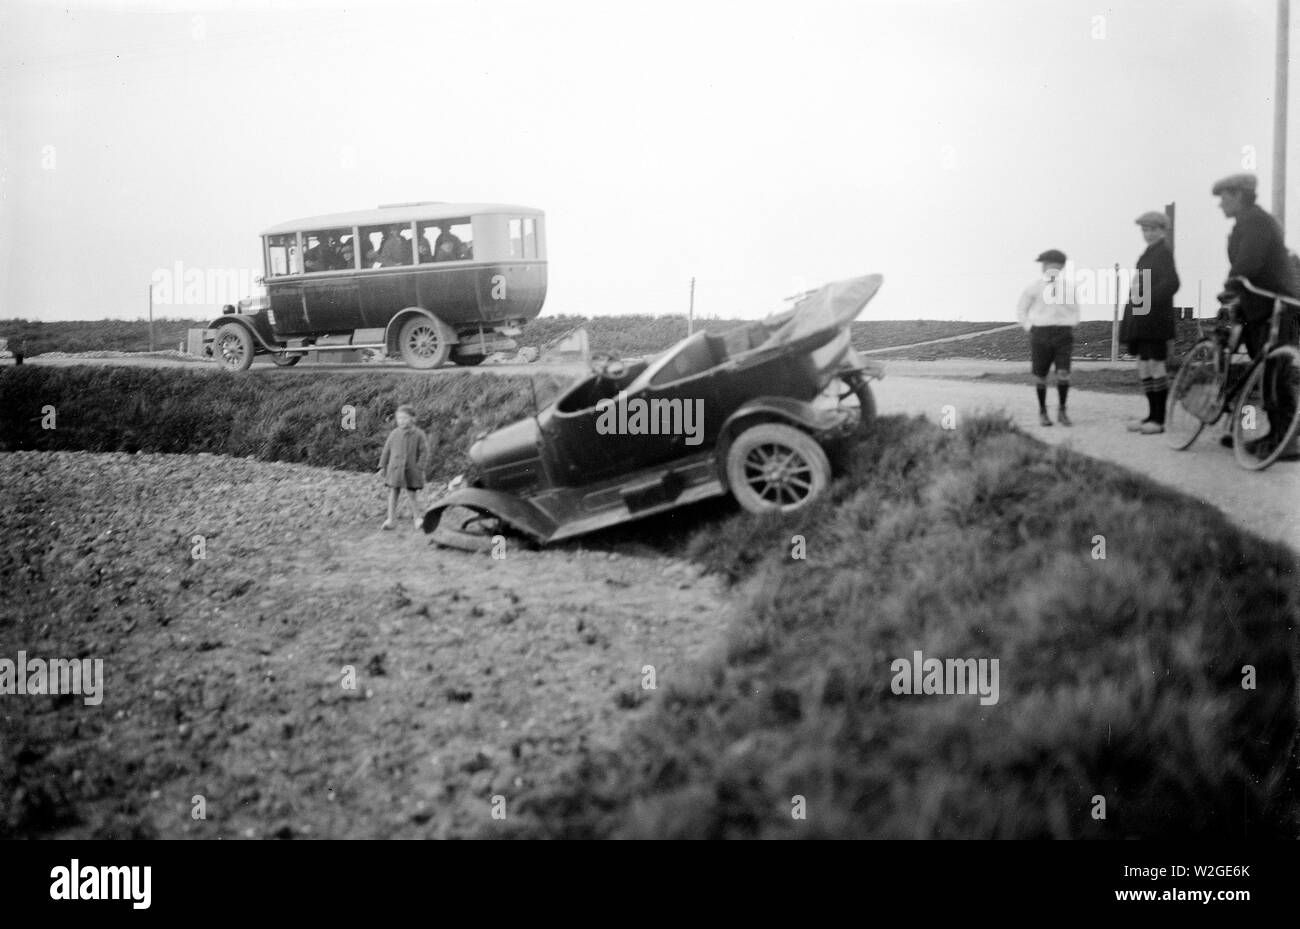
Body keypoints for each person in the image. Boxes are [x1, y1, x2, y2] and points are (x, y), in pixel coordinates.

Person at [1212, 173, 1300, 461]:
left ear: (1239, 195)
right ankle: (1265, 432)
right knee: (1261, 370)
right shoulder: (1243, 225)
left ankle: (1285, 440)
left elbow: (1247, 262)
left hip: (1279, 305)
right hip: (1257, 308)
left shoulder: (1258, 222)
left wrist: (1230, 286)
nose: (1220, 204)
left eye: (1223, 197)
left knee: (1276, 373)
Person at [1119, 211, 1180, 434]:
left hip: (1155, 319)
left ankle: (1159, 419)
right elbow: (1138, 285)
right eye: (1145, 229)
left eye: (1153, 229)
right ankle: (1150, 416)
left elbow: (1172, 283)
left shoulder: (1163, 252)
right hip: (1141, 318)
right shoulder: (1148, 253)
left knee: (1155, 365)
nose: (1148, 233)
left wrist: (1148, 300)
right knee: (1144, 365)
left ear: (1162, 230)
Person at [1016, 249, 1080, 426]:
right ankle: (1043, 411)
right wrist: (1031, 328)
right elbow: (1021, 310)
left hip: (1063, 334)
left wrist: (1070, 324)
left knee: (1063, 373)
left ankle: (1062, 411)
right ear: (1043, 267)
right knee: (1040, 375)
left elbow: (1075, 310)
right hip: (1041, 334)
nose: (1052, 269)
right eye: (1048, 265)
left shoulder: (1068, 287)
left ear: (1061, 268)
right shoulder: (1034, 287)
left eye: (1056, 266)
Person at [378, 404, 430, 530]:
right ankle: (391, 520)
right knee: (393, 493)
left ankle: (417, 519)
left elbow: (424, 452)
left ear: (413, 418)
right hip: (395, 469)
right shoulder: (394, 434)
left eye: (405, 418)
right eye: (399, 418)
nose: (401, 421)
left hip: (411, 470)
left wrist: (420, 467)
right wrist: (382, 466)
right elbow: (386, 450)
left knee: (412, 494)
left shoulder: (419, 434)